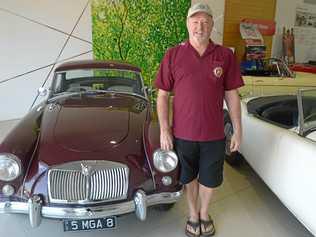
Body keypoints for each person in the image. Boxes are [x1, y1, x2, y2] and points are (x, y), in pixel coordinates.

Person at [155, 2, 244, 237]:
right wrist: (165, 129)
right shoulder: (173, 55)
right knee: (188, 178)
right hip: (182, 135)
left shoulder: (225, 56)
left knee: (210, 180)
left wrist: (237, 129)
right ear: (187, 24)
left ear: (212, 24)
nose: (200, 26)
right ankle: (193, 215)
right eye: (195, 21)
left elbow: (232, 94)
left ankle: (205, 213)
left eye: (205, 21)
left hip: (214, 135)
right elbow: (162, 95)